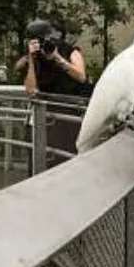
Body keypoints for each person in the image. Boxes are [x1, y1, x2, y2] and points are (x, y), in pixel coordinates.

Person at [19, 19, 90, 167]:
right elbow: (31, 90)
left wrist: (58, 58)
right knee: (43, 159)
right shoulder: (34, 57)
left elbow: (81, 76)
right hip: (46, 113)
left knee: (66, 157)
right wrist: (31, 59)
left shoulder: (70, 51)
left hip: (68, 111)